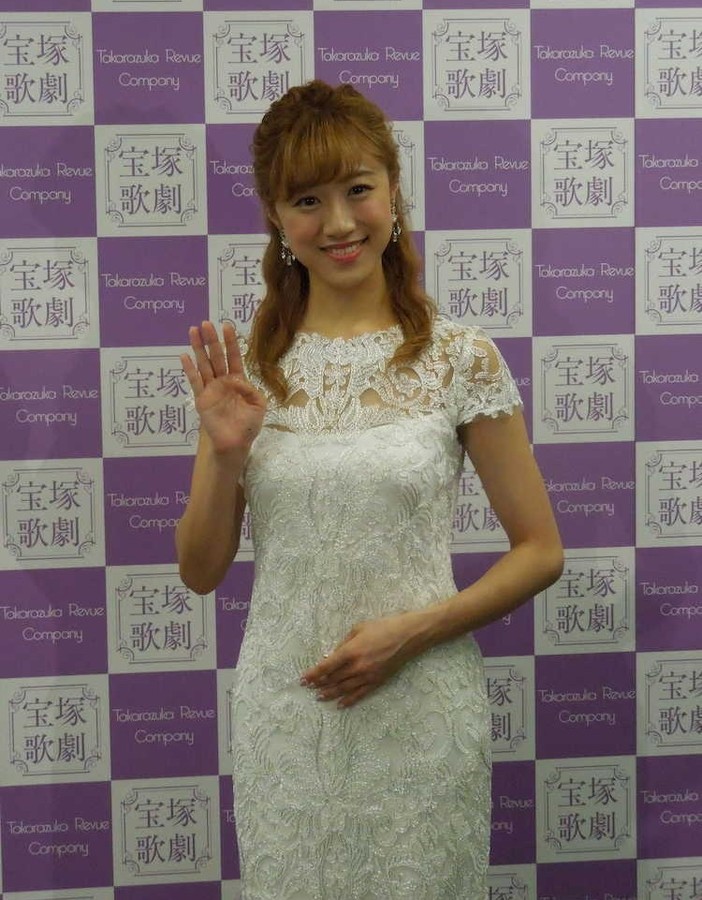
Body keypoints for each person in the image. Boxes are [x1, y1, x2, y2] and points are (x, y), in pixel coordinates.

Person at [176, 80, 563, 900]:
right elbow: (201, 570)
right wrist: (223, 454)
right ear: (276, 218)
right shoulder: (249, 372)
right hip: (289, 716)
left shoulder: (460, 358)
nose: (339, 223)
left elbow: (540, 551)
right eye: (307, 201)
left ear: (393, 192)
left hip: (421, 710)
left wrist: (414, 632)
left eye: (358, 189)